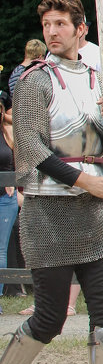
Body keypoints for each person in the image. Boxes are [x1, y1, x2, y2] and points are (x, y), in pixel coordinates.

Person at [1, 0, 103, 364]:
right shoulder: (33, 80)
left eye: (60, 24)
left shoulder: (99, 80)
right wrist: (88, 182)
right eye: (46, 25)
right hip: (48, 212)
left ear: (81, 29)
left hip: (92, 216)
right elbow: (34, 150)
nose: (51, 32)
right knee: (49, 320)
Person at [0, 95, 17, 312]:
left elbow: (19, 159)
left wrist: (13, 179)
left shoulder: (7, 131)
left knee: (0, 250)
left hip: (5, 198)